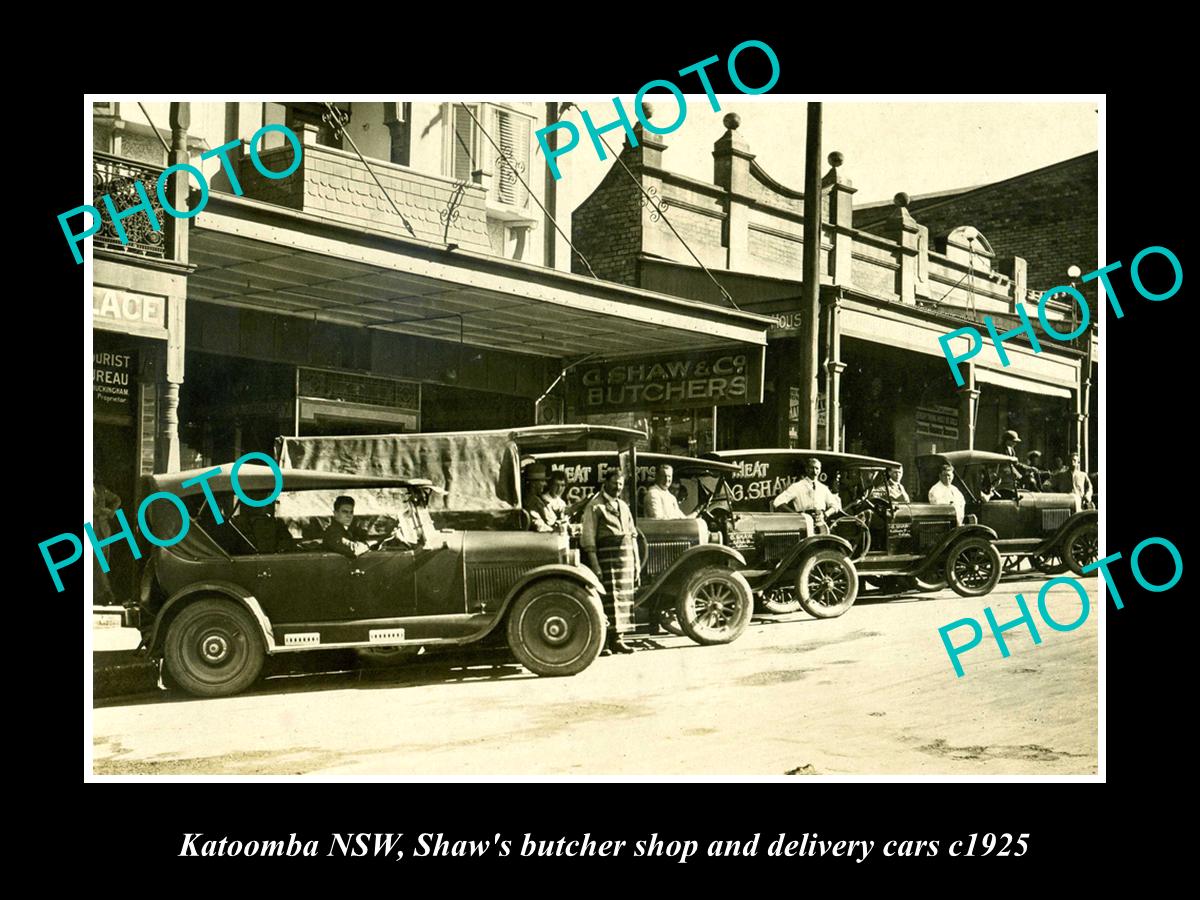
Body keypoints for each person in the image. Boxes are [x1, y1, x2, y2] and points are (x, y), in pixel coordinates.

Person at [580, 469, 640, 655]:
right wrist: (595, 564)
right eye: (614, 483)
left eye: (620, 484)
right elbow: (588, 537)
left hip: (626, 560)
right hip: (606, 559)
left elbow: (632, 535)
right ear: (606, 483)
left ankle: (618, 639)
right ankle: (604, 642)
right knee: (607, 599)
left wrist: (637, 562)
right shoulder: (595, 506)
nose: (617, 487)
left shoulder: (623, 506)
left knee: (624, 598)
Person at [771, 457, 841, 532]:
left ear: (820, 470)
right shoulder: (797, 486)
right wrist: (797, 516)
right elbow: (777, 502)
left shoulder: (823, 488)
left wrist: (826, 514)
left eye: (817, 468)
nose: (814, 471)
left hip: (821, 524)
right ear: (806, 469)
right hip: (804, 524)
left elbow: (835, 506)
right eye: (811, 468)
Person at [523, 464, 559, 532]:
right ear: (533, 484)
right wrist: (555, 530)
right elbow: (538, 525)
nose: (545, 484)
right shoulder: (530, 502)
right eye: (542, 481)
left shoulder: (540, 499)